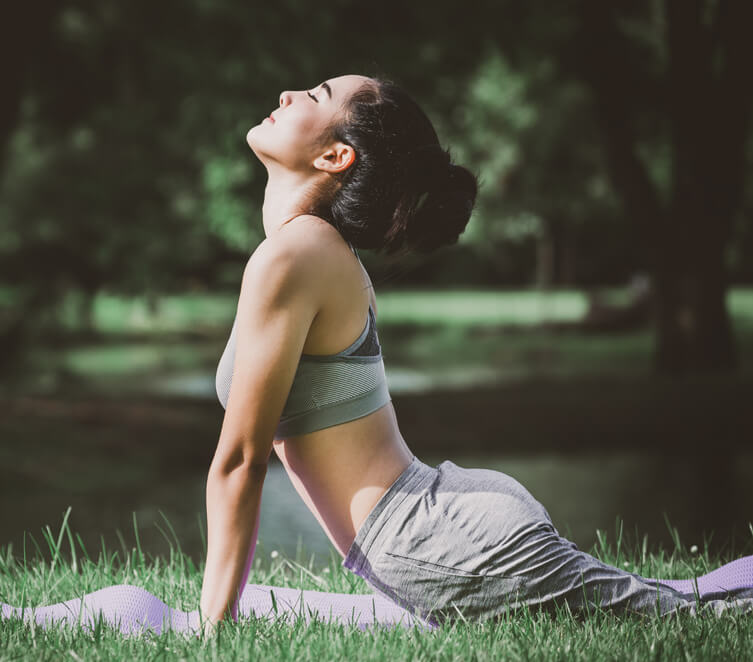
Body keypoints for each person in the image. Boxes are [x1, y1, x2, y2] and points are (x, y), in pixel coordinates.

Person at [198, 74, 752, 635]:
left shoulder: (297, 255)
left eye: (316, 96)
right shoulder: (304, 250)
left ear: (336, 155)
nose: (289, 95)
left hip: (438, 541)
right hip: (446, 527)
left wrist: (213, 634)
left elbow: (242, 461)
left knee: (694, 617)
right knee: (683, 602)